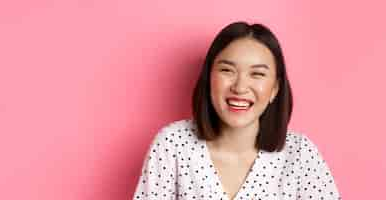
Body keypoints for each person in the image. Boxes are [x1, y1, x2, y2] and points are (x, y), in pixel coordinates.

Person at [132, 21, 341, 200]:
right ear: (209, 79)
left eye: (257, 74)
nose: (240, 87)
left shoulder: (300, 154)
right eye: (227, 70)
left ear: (274, 89)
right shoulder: (173, 144)